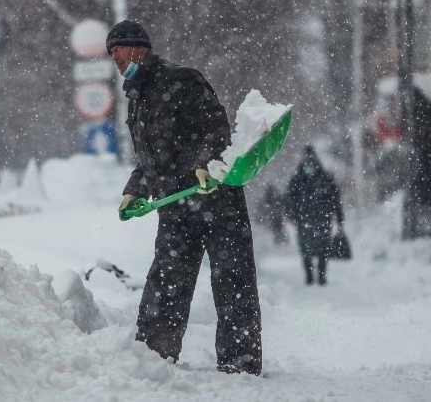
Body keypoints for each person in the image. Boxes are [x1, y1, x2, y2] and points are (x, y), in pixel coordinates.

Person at [111, 20, 262, 376]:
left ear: (139, 49)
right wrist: (135, 188)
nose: (113, 57)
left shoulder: (181, 80)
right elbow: (151, 156)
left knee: (233, 282)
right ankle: (153, 358)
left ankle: (240, 364)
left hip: (216, 199)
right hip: (175, 205)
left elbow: (215, 128)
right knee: (166, 281)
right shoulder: (137, 99)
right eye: (109, 51)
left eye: (117, 48)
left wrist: (203, 164)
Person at [285, 145, 344, 286]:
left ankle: (321, 277)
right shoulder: (297, 180)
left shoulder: (326, 178)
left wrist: (340, 218)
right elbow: (289, 200)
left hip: (321, 219)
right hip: (304, 220)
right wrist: (292, 215)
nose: (309, 163)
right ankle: (310, 276)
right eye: (307, 160)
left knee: (323, 250)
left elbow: (335, 199)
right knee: (306, 250)